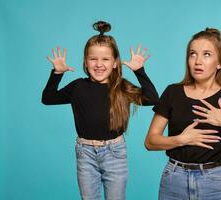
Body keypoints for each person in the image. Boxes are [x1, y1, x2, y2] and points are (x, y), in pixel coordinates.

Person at [42, 21, 159, 200]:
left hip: (114, 152)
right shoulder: (78, 87)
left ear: (115, 63)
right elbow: (48, 98)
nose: (98, 64)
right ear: (85, 62)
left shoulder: (122, 87)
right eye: (93, 59)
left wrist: (139, 71)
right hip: (85, 153)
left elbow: (152, 98)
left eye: (105, 59)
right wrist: (57, 73)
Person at [145, 28, 221, 200]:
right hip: (174, 180)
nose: (198, 61)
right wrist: (181, 139)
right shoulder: (173, 92)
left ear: (219, 63)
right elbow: (150, 142)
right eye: (193, 54)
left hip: (215, 183)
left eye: (207, 54)